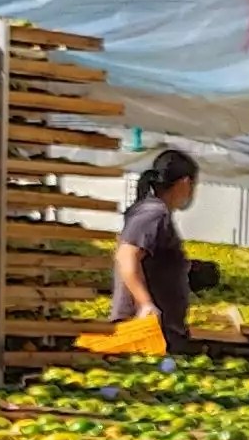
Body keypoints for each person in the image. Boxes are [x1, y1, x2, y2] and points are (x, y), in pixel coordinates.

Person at [90, 147, 218, 357]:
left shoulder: (155, 211)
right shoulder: (153, 213)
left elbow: (149, 258)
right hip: (146, 329)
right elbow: (126, 256)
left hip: (157, 328)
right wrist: (146, 304)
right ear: (185, 182)